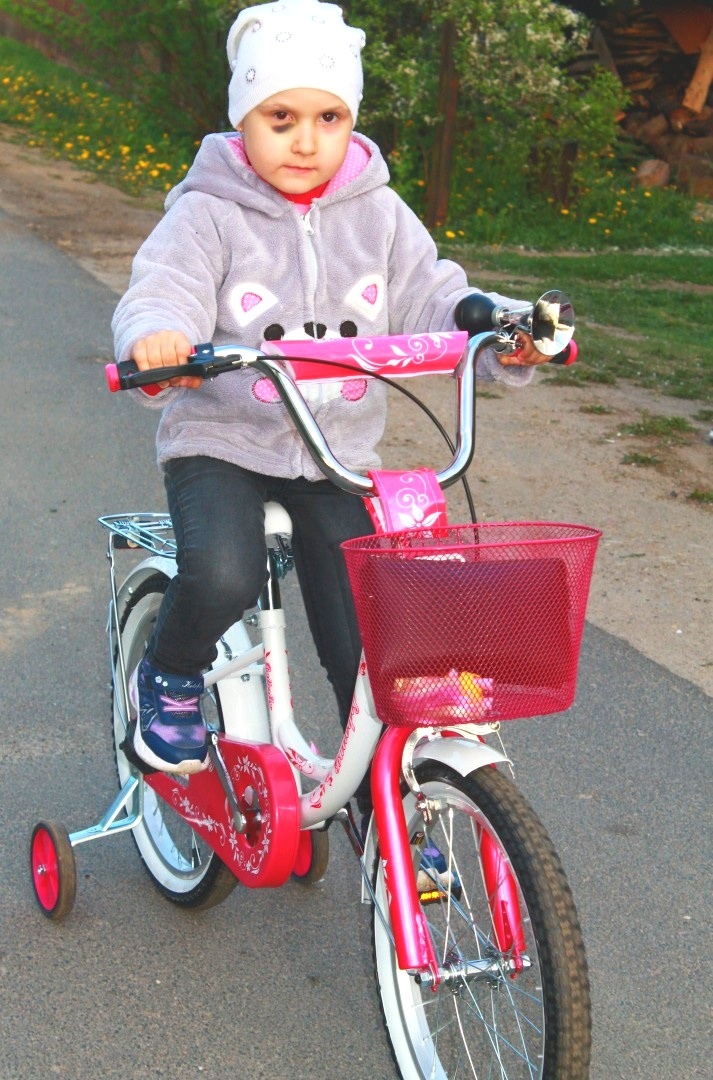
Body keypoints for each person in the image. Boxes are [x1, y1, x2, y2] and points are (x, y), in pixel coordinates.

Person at [112, 0, 551, 796]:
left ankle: (386, 809)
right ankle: (169, 673)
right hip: (224, 442)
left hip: (335, 455)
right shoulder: (210, 212)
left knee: (366, 639)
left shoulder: (377, 212)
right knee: (224, 572)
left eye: (329, 117)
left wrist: (499, 328)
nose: (306, 141)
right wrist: (159, 338)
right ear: (243, 117)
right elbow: (164, 288)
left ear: (350, 120)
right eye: (279, 117)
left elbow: (431, 296)